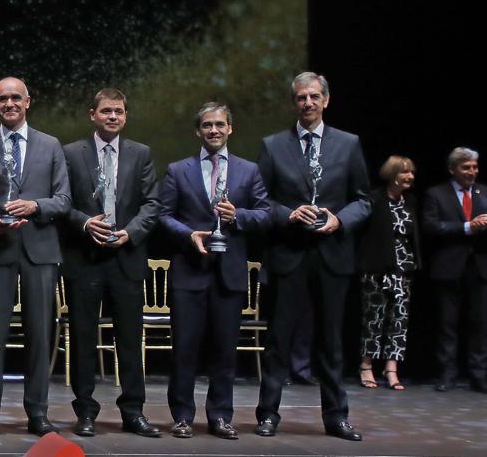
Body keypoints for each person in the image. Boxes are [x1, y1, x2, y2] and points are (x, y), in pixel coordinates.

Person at [254, 72, 370, 441]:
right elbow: (260, 201)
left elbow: (363, 200)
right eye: (301, 97)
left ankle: (336, 417)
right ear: (294, 103)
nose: (308, 103)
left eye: (314, 96)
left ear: (326, 100)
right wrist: (287, 214)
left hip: (332, 253)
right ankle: (268, 414)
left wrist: (340, 219)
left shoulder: (348, 144)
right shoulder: (273, 146)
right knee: (279, 340)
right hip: (288, 252)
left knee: (331, 341)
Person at [158, 102, 269, 439]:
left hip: (229, 272)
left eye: (220, 124)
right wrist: (188, 234)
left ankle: (220, 416)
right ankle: (182, 416)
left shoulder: (249, 170)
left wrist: (239, 216)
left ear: (230, 128)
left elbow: (265, 214)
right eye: (207, 125)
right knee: (185, 350)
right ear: (198, 131)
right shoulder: (178, 170)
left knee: (224, 350)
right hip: (189, 272)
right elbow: (163, 216)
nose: (214, 130)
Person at [0, 77, 70, 438]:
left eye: (16, 98)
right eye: (2, 99)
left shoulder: (51, 145)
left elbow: (64, 200)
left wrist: (36, 205)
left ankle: (38, 413)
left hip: (40, 250)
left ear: (28, 102)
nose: (9, 103)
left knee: (39, 335)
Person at [62, 87, 161, 438]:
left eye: (119, 111)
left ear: (126, 116)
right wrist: (84, 222)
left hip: (126, 258)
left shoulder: (141, 154)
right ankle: (85, 411)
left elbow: (152, 204)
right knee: (84, 339)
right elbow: (62, 203)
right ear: (93, 114)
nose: (113, 117)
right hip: (84, 259)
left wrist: (130, 233)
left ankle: (133, 411)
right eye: (106, 111)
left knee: (130, 340)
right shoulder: (71, 153)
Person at [421, 146, 487, 393]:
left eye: (474, 167)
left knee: (480, 325)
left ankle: (479, 376)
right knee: (447, 324)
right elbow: (431, 226)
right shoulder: (436, 194)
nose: (472, 172)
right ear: (453, 169)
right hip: (448, 267)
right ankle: (446, 375)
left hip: (479, 268)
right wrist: (468, 227)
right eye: (466, 167)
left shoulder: (484, 193)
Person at [356, 155, 420, 392]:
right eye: (405, 172)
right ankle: (366, 365)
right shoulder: (375, 199)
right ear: (393, 175)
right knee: (374, 319)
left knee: (399, 320)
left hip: (404, 269)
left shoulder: (410, 201)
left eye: (412, 172)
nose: (410, 176)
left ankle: (391, 368)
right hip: (377, 268)